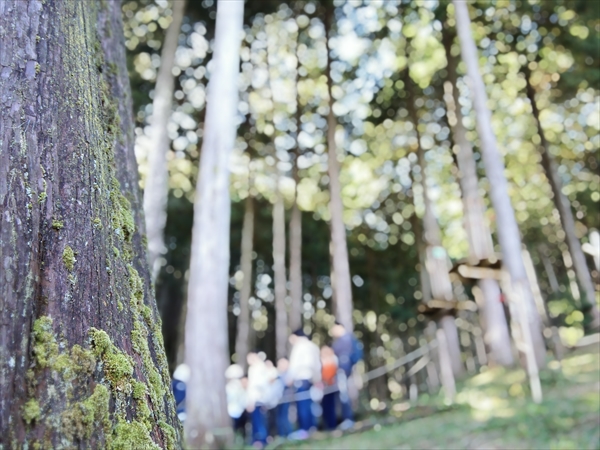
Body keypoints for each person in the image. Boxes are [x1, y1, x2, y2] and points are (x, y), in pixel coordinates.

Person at [287, 329, 321, 438]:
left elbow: (295, 365)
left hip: (300, 379)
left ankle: (305, 430)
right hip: (310, 379)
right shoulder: (312, 346)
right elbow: (317, 365)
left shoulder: (299, 346)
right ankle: (312, 427)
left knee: (302, 405)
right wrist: (317, 379)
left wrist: (290, 377)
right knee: (309, 404)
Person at [331, 321, 362, 429]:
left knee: (346, 395)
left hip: (348, 372)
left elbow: (358, 353)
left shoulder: (349, 339)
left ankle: (349, 418)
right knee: (343, 396)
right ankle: (346, 418)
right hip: (339, 373)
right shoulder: (337, 343)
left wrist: (351, 365)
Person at [246, 352, 270, 447]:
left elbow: (255, 386)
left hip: (258, 400)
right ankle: (258, 440)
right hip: (258, 399)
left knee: (259, 421)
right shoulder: (257, 368)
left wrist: (252, 401)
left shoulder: (258, 368)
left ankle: (261, 441)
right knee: (257, 421)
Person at [225, 364, 247, 439]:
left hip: (236, 410)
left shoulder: (233, 386)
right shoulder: (234, 386)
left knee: (238, 428)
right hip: (235, 411)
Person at [320, 345, 338, 430]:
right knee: (325, 407)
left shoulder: (332, 361)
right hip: (324, 388)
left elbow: (330, 374)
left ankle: (332, 425)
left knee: (330, 407)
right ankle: (327, 425)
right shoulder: (322, 362)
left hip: (330, 387)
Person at [274, 358, 293, 437]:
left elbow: (289, 383)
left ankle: (289, 434)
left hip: (286, 398)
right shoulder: (277, 374)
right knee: (279, 418)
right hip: (277, 400)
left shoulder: (289, 374)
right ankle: (282, 435)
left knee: (285, 418)